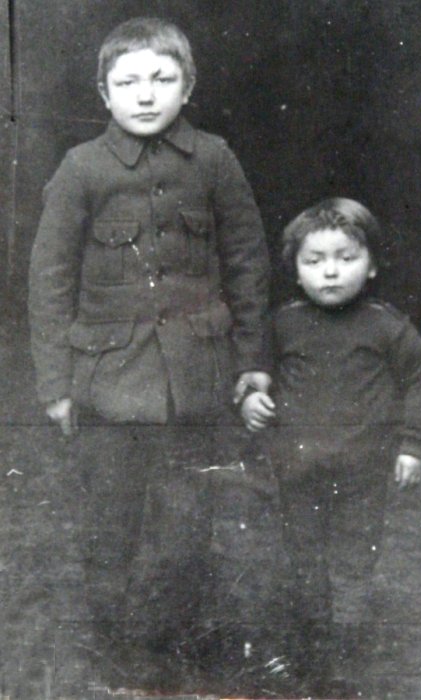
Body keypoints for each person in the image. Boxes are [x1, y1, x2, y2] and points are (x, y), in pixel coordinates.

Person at [27, 17, 270, 692]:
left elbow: (247, 264)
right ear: (103, 93)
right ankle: (115, 649)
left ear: (187, 87)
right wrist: (56, 385)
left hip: (197, 382)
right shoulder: (81, 169)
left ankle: (169, 642)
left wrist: (252, 360)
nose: (145, 94)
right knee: (111, 525)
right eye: (127, 81)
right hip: (109, 386)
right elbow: (48, 281)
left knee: (187, 523)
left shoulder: (215, 159)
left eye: (162, 79)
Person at [240, 197, 421, 695]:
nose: (331, 272)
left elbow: (420, 383)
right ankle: (312, 646)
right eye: (315, 261)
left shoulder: (388, 327)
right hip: (298, 470)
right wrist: (252, 400)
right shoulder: (282, 324)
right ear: (295, 269)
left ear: (371, 265)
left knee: (354, 559)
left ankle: (347, 650)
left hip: (362, 472)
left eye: (346, 258)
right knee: (303, 557)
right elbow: (256, 374)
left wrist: (412, 447)